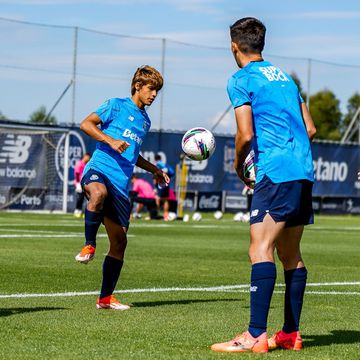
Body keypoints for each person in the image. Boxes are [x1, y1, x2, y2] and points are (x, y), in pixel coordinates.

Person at [211, 17, 316, 353]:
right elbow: (310, 129)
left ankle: (255, 334)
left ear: (234, 45)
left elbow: (245, 134)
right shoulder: (286, 79)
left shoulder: (241, 79)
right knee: (290, 254)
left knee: (259, 249)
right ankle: (289, 333)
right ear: (261, 44)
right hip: (303, 170)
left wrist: (240, 164)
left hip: (275, 172)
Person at [74, 65, 169, 310]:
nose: (154, 95)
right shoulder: (115, 105)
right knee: (98, 193)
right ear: (138, 86)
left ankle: (105, 298)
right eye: (151, 89)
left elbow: (133, 154)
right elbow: (86, 124)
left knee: (119, 242)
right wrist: (110, 140)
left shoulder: (145, 121)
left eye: (157, 90)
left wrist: (155, 171)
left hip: (120, 184)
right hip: (99, 169)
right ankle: (89, 244)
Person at [154, 153, 175, 220]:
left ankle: (156, 214)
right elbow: (172, 173)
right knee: (165, 200)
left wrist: (155, 186)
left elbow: (155, 175)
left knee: (157, 198)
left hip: (160, 184)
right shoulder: (165, 165)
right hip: (167, 184)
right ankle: (166, 215)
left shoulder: (157, 165)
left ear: (155, 159)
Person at [73, 152, 91, 218]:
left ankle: (83, 212)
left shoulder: (86, 164)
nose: (89, 159)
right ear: (85, 156)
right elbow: (77, 174)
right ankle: (77, 211)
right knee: (80, 197)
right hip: (79, 184)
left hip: (85, 183)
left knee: (85, 198)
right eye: (88, 157)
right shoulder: (79, 163)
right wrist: (78, 184)